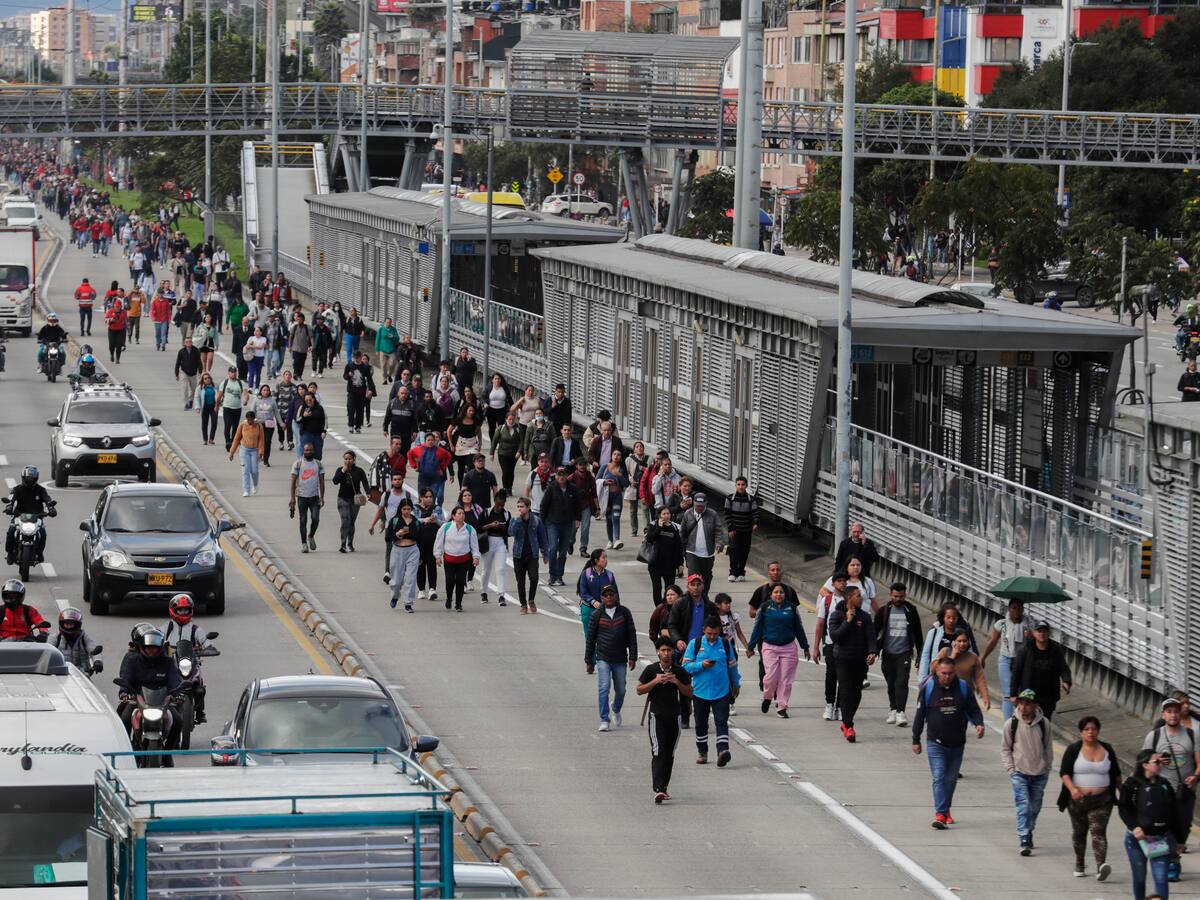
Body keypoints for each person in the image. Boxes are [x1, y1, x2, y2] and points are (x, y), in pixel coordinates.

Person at [912, 656, 986, 829]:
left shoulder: (963, 687)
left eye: (950, 673)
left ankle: (945, 809)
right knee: (939, 777)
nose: (947, 676)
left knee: (951, 780)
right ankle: (940, 813)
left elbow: (973, 708)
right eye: (943, 673)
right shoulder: (929, 687)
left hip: (957, 743)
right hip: (935, 742)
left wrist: (979, 724)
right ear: (937, 672)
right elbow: (920, 714)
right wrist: (916, 739)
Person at [1142, 696, 1200, 876]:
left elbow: (1199, 762)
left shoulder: (1192, 734)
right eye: (1169, 711)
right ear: (1163, 714)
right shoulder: (1155, 735)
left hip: (1184, 791)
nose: (1173, 715)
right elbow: (1143, 760)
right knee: (1159, 826)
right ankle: (1164, 862)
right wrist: (1156, 759)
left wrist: (1195, 777)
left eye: (1176, 711)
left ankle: (1173, 857)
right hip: (1161, 790)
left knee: (1182, 826)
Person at [1059, 715, 1121, 881]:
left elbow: (1116, 774)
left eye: (1093, 729)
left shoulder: (1107, 749)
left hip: (1102, 800)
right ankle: (1079, 863)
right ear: (1081, 732)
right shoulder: (1073, 749)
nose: (1090, 732)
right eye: (1087, 729)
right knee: (1079, 833)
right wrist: (1072, 789)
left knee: (1098, 831)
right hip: (1077, 800)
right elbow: (1064, 773)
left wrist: (1124, 794)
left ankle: (1101, 866)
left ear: (1098, 731)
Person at [1119, 749, 1188, 900]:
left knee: (1161, 878)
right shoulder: (1132, 784)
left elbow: (1175, 813)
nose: (1159, 765)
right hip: (1137, 840)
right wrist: (1134, 827)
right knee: (1139, 877)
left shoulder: (1165, 785)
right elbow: (1124, 808)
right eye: (1155, 762)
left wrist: (1180, 839)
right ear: (1145, 765)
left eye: (1160, 762)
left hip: (1160, 839)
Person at [638, 638, 694, 804]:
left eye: (669, 650)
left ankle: (664, 787)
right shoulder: (651, 670)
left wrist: (676, 681)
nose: (666, 653)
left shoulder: (680, 671)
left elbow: (690, 692)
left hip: (674, 717)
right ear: (657, 652)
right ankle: (658, 789)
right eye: (663, 650)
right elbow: (639, 690)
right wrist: (656, 681)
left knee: (669, 753)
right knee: (658, 751)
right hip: (656, 716)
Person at [115, 628, 183, 761]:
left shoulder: (168, 663)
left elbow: (175, 680)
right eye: (148, 648)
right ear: (142, 647)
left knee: (178, 721)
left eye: (154, 648)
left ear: (160, 648)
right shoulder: (133, 662)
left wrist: (178, 694)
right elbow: (126, 678)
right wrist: (124, 692)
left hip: (162, 701)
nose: (151, 651)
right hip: (138, 700)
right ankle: (126, 749)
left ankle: (167, 752)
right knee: (124, 717)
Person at [1002, 688, 1055, 855]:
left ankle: (1029, 829)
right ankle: (1023, 838)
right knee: (1023, 806)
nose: (1023, 707)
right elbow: (1005, 748)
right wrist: (1011, 768)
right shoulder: (1012, 723)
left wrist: (1046, 767)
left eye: (1027, 704)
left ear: (1035, 706)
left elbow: (1048, 747)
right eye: (1021, 703)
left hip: (1039, 773)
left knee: (1034, 807)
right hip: (1019, 772)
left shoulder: (1044, 723)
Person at [682, 616, 740, 767]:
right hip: (700, 692)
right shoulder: (695, 644)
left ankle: (723, 751)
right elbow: (686, 666)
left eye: (715, 633)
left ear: (719, 631)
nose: (712, 636)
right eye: (709, 633)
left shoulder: (725, 645)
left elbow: (732, 665)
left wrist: (736, 683)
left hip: (721, 691)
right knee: (701, 723)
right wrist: (702, 665)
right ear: (704, 631)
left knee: (721, 721)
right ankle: (702, 752)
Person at [746, 583, 809, 719]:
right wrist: (750, 646)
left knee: (786, 680)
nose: (778, 595)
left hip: (788, 648)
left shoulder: (792, 608)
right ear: (771, 594)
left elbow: (799, 628)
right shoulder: (764, 608)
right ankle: (767, 697)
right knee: (770, 677)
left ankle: (782, 707)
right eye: (776, 592)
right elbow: (757, 628)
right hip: (769, 647)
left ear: (785, 595)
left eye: (781, 592)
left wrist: (805, 647)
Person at [585, 584, 638, 732]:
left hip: (620, 658)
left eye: (611, 594)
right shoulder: (596, 615)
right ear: (601, 597)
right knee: (604, 688)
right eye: (605, 595)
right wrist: (589, 661)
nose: (608, 597)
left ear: (616, 596)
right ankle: (604, 719)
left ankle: (615, 707)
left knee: (621, 689)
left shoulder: (624, 613)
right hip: (603, 658)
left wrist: (633, 656)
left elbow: (631, 635)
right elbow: (590, 639)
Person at [826, 585, 877, 741]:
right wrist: (847, 621)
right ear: (849, 598)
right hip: (843, 659)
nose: (861, 598)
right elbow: (835, 636)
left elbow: (871, 637)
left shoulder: (865, 616)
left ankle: (847, 722)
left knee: (856, 693)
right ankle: (849, 726)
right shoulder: (836, 615)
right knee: (846, 691)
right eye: (858, 596)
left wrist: (872, 652)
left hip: (860, 660)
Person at [873, 582, 922, 727]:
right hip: (887, 653)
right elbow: (875, 633)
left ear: (905, 595)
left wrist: (920, 654)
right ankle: (893, 709)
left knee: (902, 682)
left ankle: (901, 712)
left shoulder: (911, 611)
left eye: (901, 596)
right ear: (890, 595)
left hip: (904, 653)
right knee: (891, 684)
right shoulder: (883, 612)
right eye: (895, 596)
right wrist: (873, 651)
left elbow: (918, 634)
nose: (898, 599)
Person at [1010, 621, 1072, 720]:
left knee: (1045, 722)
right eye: (1039, 631)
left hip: (1048, 695)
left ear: (1049, 633)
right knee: (1028, 722)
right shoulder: (1025, 650)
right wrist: (1013, 694)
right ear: (1034, 633)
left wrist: (1066, 681)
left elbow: (1063, 667)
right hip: (1029, 695)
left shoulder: (1055, 650)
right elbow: (1016, 672)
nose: (1042, 634)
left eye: (1044, 631)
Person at [980, 598, 1029, 720]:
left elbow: (1036, 644)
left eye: (1019, 608)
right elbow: (992, 641)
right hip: (1006, 659)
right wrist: (983, 657)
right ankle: (1008, 723)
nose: (1016, 611)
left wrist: (1029, 636)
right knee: (1008, 694)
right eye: (1014, 608)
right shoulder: (1001, 624)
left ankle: (1019, 720)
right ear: (1009, 609)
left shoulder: (1028, 624)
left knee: (1020, 693)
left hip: (1022, 661)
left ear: (1023, 609)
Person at [813, 571, 848, 721]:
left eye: (844, 581)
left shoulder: (850, 600)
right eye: (839, 581)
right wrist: (815, 647)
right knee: (831, 674)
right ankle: (829, 704)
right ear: (832, 584)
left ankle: (840, 706)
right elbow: (820, 624)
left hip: (847, 645)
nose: (842, 583)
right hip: (830, 643)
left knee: (844, 677)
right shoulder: (826, 600)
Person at [434, 506, 480, 612]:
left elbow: (474, 545)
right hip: (449, 560)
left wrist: (476, 557)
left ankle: (458, 604)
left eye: (463, 513)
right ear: (453, 516)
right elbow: (439, 542)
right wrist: (437, 556)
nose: (461, 515)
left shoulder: (469, 529)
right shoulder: (446, 527)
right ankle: (449, 598)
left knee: (460, 581)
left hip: (464, 560)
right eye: (459, 513)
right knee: (450, 581)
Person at [4, 465, 54, 565]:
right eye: (28, 477)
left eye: (32, 477)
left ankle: (39, 553)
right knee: (11, 532)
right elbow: (11, 499)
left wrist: (51, 508)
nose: (30, 479)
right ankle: (9, 553)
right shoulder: (17, 489)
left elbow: (48, 499)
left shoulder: (41, 490)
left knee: (43, 534)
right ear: (23, 477)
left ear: (36, 478)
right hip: (18, 516)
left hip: (37, 517)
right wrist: (9, 507)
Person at [540, 467, 579, 587]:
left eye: (563, 475)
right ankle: (552, 575)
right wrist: (542, 522)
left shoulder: (572, 488)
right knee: (553, 548)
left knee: (562, 551)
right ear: (556, 476)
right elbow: (544, 505)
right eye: (559, 475)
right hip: (552, 522)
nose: (561, 477)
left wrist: (577, 519)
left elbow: (577, 504)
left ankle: (559, 576)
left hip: (567, 523)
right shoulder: (551, 488)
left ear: (567, 475)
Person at [680, 493, 724, 590]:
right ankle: (692, 600)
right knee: (694, 578)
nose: (699, 508)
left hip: (707, 553)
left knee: (706, 579)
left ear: (706, 504)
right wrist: (680, 549)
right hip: (692, 551)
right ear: (694, 504)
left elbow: (718, 531)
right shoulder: (688, 514)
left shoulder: (712, 514)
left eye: (702, 506)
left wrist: (719, 543)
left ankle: (704, 599)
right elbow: (682, 533)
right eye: (697, 506)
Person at [936, 631, 990, 710]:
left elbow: (980, 679)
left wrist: (985, 697)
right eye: (959, 641)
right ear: (953, 642)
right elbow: (934, 668)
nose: (962, 644)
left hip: (965, 697)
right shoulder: (945, 652)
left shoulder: (973, 657)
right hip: (945, 695)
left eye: (965, 641)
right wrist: (952, 657)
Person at [918, 603, 974, 680]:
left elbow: (970, 655)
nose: (951, 620)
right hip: (936, 678)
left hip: (957, 679)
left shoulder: (963, 635)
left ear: (957, 619)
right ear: (943, 618)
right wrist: (922, 678)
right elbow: (925, 656)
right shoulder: (933, 633)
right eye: (948, 617)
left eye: (954, 618)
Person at [643, 506, 686, 606]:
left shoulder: (674, 527)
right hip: (655, 564)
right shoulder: (653, 525)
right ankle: (659, 608)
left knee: (669, 589)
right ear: (659, 515)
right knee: (657, 587)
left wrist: (680, 563)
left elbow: (678, 547)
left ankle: (668, 607)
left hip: (670, 564)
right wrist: (659, 528)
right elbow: (649, 538)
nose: (666, 516)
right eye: (664, 514)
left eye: (668, 514)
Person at [385, 498, 421, 612]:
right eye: (404, 509)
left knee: (410, 578)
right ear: (400, 509)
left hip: (412, 550)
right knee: (396, 581)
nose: (406, 511)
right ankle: (395, 596)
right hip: (398, 550)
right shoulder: (394, 520)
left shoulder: (415, 521)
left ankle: (408, 603)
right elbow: (388, 537)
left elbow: (420, 537)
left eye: (409, 509)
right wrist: (398, 534)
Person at [332, 450, 370, 553]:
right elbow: (335, 481)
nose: (347, 461)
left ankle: (350, 543)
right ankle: (343, 544)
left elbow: (365, 482)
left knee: (351, 522)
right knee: (345, 520)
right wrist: (343, 471)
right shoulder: (340, 470)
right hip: (343, 499)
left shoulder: (359, 471)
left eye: (350, 459)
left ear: (354, 460)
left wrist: (368, 492)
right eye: (346, 459)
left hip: (355, 500)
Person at [289, 443, 325, 553]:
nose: (308, 452)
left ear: (313, 451)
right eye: (306, 450)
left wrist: (322, 497)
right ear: (303, 451)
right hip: (302, 497)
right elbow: (293, 482)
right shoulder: (298, 464)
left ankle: (311, 536)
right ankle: (304, 543)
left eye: (310, 450)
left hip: (314, 497)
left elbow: (322, 482)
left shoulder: (318, 464)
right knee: (303, 520)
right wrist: (292, 498)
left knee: (315, 519)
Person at [478, 490, 512, 605]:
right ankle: (483, 592)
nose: (500, 507)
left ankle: (501, 595)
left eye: (502, 505)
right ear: (494, 502)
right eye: (498, 505)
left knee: (501, 569)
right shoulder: (486, 512)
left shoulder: (507, 514)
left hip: (500, 542)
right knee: (486, 569)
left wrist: (502, 527)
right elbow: (479, 528)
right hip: (488, 542)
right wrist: (490, 525)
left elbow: (508, 531)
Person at [508, 496, 541, 614]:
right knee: (520, 581)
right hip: (518, 555)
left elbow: (542, 536)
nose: (519, 509)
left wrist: (545, 553)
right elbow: (511, 532)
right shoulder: (515, 520)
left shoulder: (536, 520)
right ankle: (523, 604)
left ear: (528, 507)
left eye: (522, 507)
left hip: (532, 554)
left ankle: (531, 599)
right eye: (518, 507)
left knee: (534, 578)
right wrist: (517, 520)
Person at [723, 477, 758, 582]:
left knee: (744, 551)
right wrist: (730, 528)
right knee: (733, 551)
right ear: (735, 485)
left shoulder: (751, 499)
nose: (741, 486)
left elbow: (755, 512)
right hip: (734, 531)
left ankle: (741, 572)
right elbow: (727, 514)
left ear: (746, 486)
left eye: (743, 484)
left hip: (746, 530)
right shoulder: (730, 498)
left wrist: (755, 523)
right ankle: (733, 572)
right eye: (738, 484)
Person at [49, 607, 102, 676]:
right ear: (62, 623)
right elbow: (47, 650)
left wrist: (98, 662)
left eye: (71, 624)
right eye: (67, 623)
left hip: (82, 674)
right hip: (60, 673)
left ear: (77, 624)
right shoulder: (55, 637)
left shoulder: (84, 637)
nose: (69, 626)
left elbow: (94, 650)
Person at [577, 549, 616, 637]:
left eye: (606, 558)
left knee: (604, 638)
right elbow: (583, 592)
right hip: (588, 609)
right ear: (596, 560)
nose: (606, 560)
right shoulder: (586, 574)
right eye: (603, 558)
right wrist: (593, 601)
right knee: (590, 637)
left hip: (605, 610)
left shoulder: (610, 575)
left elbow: (615, 594)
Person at [227, 410, 266, 497]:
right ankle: (246, 490)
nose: (250, 422)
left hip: (254, 450)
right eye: (249, 420)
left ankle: (255, 485)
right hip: (244, 450)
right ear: (246, 419)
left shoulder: (259, 426)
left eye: (252, 420)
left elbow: (261, 440)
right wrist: (232, 452)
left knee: (254, 470)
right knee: (245, 470)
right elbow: (236, 439)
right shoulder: (242, 425)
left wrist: (261, 452)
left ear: (254, 419)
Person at [597, 449, 630, 549]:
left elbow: (626, 484)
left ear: (621, 458)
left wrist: (619, 475)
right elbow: (597, 479)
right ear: (611, 456)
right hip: (606, 497)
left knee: (615, 517)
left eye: (619, 455)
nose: (616, 456)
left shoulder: (622, 470)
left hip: (617, 497)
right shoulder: (604, 467)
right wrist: (605, 482)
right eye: (614, 454)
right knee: (608, 518)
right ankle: (610, 541)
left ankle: (617, 539)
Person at [215, 366, 247, 453]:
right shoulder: (225, 383)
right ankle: (228, 441)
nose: (234, 373)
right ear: (228, 373)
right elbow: (219, 395)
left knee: (235, 426)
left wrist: (246, 399)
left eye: (235, 372)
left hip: (237, 408)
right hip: (227, 407)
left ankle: (233, 441)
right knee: (228, 424)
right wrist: (216, 405)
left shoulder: (240, 383)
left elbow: (245, 393)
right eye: (232, 372)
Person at [343, 350, 376, 434]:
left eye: (358, 357)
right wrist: (348, 375)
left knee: (360, 410)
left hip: (361, 392)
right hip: (352, 391)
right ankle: (351, 425)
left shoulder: (365, 367)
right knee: (351, 408)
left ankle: (358, 426)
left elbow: (369, 379)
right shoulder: (350, 365)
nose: (356, 359)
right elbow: (344, 376)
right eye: (355, 357)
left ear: (361, 357)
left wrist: (371, 390)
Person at [491, 412, 523, 494]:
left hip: (513, 454)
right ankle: (505, 488)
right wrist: (492, 453)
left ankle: (509, 488)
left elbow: (521, 441)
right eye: (510, 419)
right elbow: (494, 441)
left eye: (513, 419)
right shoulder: (501, 428)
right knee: (505, 471)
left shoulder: (518, 428)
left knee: (511, 471)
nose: (511, 421)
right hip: (503, 453)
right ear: (506, 419)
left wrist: (519, 451)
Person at [194, 372, 219, 445]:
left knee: (214, 422)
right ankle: (205, 439)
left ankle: (211, 439)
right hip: (205, 407)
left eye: (208, 378)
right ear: (203, 380)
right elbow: (197, 397)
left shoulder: (215, 386)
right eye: (205, 379)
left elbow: (220, 394)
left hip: (213, 407)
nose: (207, 379)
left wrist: (220, 402)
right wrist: (197, 407)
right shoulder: (200, 388)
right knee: (205, 423)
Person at [375, 316, 399, 382]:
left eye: (389, 322)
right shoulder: (381, 329)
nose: (388, 323)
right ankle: (384, 379)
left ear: (391, 323)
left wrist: (393, 337)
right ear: (385, 322)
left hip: (391, 350)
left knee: (392, 364)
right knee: (383, 365)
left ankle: (389, 374)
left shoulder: (393, 329)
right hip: (383, 350)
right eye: (387, 322)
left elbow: (397, 339)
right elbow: (377, 339)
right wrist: (377, 349)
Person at [105, 296, 128, 363]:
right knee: (111, 344)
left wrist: (128, 330)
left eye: (118, 307)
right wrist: (110, 320)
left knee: (119, 345)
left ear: (121, 306)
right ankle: (112, 354)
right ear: (114, 306)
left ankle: (118, 359)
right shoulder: (110, 311)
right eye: (116, 306)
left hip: (121, 330)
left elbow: (127, 321)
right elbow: (105, 320)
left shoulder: (124, 312)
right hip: (112, 330)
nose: (117, 308)